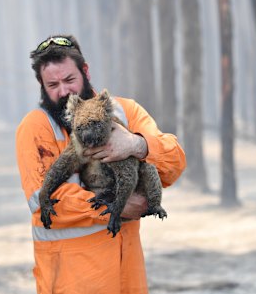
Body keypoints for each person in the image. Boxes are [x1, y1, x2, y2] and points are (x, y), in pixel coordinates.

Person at [15, 34, 186, 294]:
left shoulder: (124, 111)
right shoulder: (36, 127)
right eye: (52, 84)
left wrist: (136, 145)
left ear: (85, 71)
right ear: (41, 84)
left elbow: (174, 163)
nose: (63, 91)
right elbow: (42, 200)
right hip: (70, 282)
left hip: (128, 278)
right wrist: (114, 207)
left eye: (70, 80)